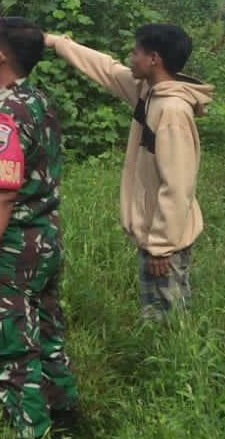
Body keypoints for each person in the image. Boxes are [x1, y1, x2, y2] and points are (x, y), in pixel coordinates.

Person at [43, 24, 214, 321]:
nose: (130, 58)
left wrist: (161, 246)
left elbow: (178, 185)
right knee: (160, 314)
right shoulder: (149, 92)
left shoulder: (172, 110)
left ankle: (174, 367)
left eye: (135, 52)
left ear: (154, 59)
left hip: (165, 241)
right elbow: (107, 69)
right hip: (156, 234)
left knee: (168, 321)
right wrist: (55, 43)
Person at [0, 16, 78, 439]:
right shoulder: (37, 101)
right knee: (47, 331)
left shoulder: (4, 116)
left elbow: (3, 193)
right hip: (45, 242)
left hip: (14, 248)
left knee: (12, 346)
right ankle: (64, 415)